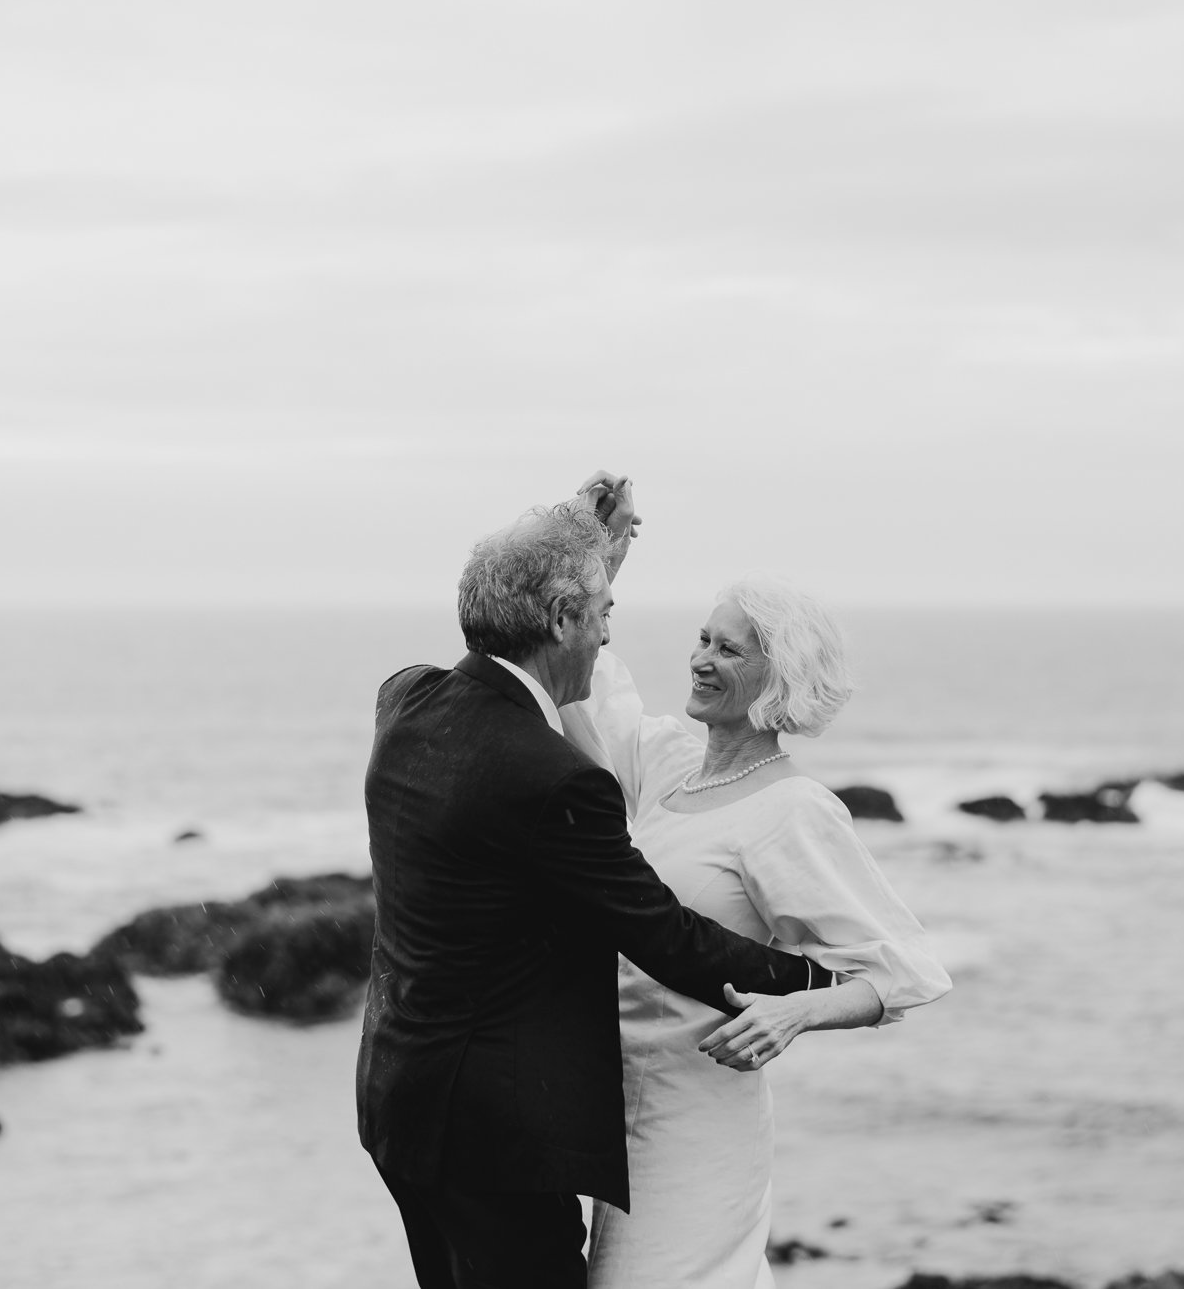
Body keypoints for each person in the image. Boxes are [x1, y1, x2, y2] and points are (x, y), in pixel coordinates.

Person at [357, 486, 831, 1289]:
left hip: (399, 1106)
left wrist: (580, 552)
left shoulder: (407, 697)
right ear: (564, 621)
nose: (610, 630)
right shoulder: (553, 779)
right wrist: (820, 981)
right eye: (602, 610)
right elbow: (663, 936)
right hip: (495, 1143)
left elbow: (515, 638)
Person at [558, 482, 951, 1289]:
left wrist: (796, 1010)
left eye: (730, 649)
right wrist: (600, 559)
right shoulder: (666, 762)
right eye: (703, 638)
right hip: (613, 1102)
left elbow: (907, 970)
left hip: (700, 1117)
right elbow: (592, 689)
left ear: (780, 677)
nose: (702, 659)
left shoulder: (793, 809)